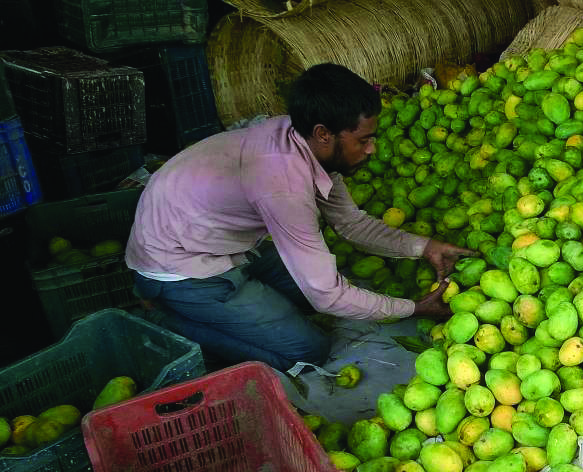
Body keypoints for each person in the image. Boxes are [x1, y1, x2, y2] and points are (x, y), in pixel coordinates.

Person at [126, 63, 472, 372]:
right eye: (364, 140)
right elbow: (326, 295)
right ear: (324, 133)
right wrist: (412, 309)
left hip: (221, 241)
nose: (372, 149)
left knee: (327, 297)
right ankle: (162, 318)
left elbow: (351, 223)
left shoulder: (307, 142)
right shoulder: (283, 186)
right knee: (307, 350)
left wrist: (425, 247)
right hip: (182, 265)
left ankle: (219, 303)